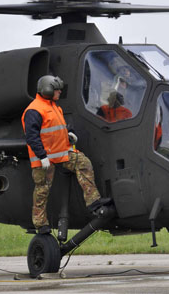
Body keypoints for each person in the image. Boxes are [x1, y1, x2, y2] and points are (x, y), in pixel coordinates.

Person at [21, 75, 110, 234]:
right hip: (44, 159)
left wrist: (69, 133)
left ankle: (93, 202)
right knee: (42, 190)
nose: (60, 92)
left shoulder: (55, 107)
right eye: (57, 90)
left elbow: (57, 128)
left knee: (83, 163)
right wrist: (42, 156)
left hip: (61, 153)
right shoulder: (34, 110)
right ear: (47, 90)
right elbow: (31, 137)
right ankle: (40, 224)